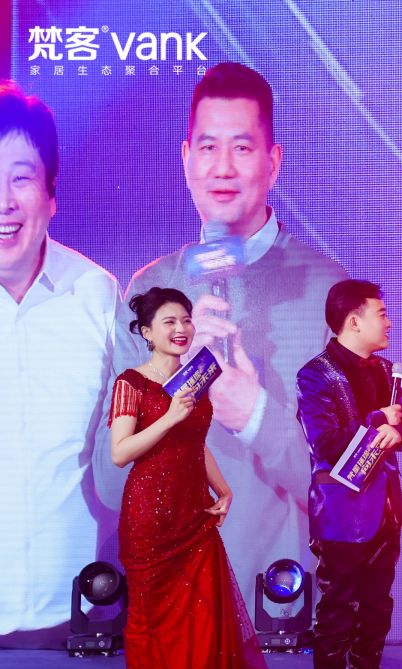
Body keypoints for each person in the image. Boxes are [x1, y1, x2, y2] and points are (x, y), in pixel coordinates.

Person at [104, 62, 347, 611]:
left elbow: (352, 484)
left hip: (282, 602)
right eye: (208, 147)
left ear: (273, 162)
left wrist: (254, 415)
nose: (222, 168)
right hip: (171, 594)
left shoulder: (329, 289)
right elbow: (107, 479)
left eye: (242, 147)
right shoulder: (150, 289)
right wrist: (173, 382)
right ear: (186, 158)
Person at [109, 287, 273, 669]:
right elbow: (121, 453)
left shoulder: (194, 379)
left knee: (204, 627)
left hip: (194, 515)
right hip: (149, 520)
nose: (181, 329)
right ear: (146, 332)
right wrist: (168, 417)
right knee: (155, 629)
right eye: (169, 322)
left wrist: (223, 489)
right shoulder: (131, 383)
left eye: (185, 319)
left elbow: (194, 445)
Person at [0, 80, 121, 638]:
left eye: (21, 177)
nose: (4, 201)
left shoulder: (98, 297)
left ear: (51, 195)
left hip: (79, 624)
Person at [296, 279, 402, 669]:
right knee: (336, 619)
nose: (389, 322)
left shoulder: (387, 370)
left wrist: (399, 431)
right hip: (341, 514)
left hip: (386, 511)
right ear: (353, 321)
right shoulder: (316, 375)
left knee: (375, 617)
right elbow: (325, 444)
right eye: (381, 313)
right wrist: (377, 422)